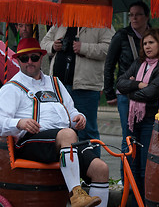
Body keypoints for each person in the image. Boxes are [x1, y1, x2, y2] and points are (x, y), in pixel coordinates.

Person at [0, 38, 109, 207]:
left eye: (34, 57)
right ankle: (76, 193)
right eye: (25, 59)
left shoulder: (55, 83)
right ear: (18, 61)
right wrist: (19, 122)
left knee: (100, 168)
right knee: (68, 134)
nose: (30, 62)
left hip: (63, 140)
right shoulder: (12, 87)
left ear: (41, 58)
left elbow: (71, 111)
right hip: (30, 142)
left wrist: (78, 118)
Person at [41, 25, 115, 157]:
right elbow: (43, 43)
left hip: (85, 88)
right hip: (58, 88)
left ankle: (91, 171)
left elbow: (110, 48)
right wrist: (53, 46)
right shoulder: (61, 23)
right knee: (61, 131)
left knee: (87, 132)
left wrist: (84, 48)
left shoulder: (102, 23)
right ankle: (67, 170)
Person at [116, 28, 159, 205]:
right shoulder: (139, 63)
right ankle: (135, 201)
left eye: (151, 42)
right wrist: (138, 84)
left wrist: (130, 90)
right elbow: (120, 83)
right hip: (133, 120)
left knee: (145, 166)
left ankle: (146, 200)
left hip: (149, 120)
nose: (147, 46)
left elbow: (151, 93)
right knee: (132, 163)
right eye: (144, 43)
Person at [103, 1, 151, 180]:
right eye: (131, 15)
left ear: (146, 17)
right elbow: (110, 64)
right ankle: (127, 183)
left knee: (145, 138)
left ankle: (143, 181)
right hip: (126, 94)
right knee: (128, 138)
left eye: (138, 14)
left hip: (148, 95)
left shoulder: (154, 35)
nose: (134, 18)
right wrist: (109, 92)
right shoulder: (122, 35)